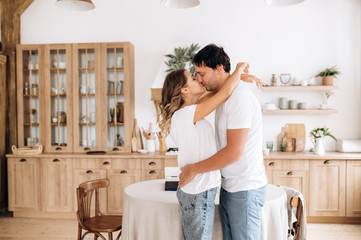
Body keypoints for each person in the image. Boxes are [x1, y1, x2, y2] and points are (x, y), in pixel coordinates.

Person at [159, 62, 262, 240]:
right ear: (184, 90)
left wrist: (239, 77)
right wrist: (238, 70)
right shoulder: (185, 115)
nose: (198, 79)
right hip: (197, 192)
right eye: (193, 78)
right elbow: (224, 93)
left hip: (199, 191)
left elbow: (218, 90)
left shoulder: (190, 111)